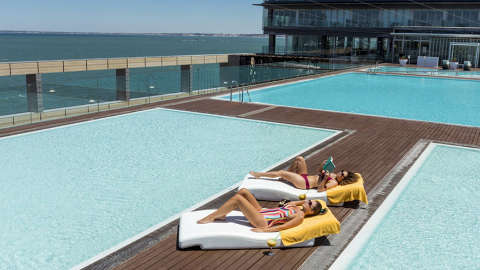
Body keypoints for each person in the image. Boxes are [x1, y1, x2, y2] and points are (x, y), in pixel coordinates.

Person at [197, 188, 324, 232]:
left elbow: (283, 227)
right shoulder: (296, 207)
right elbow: (299, 201)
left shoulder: (300, 216)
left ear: (311, 211)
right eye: (310, 200)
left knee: (238, 199)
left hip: (263, 221)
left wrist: (264, 230)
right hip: (263, 211)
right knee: (243, 192)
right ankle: (222, 214)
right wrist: (306, 201)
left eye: (311, 203)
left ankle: (211, 217)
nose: (308, 201)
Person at [250, 156, 358, 191]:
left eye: (342, 175)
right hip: (306, 177)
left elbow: (320, 189)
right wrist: (323, 165)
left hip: (304, 183)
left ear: (343, 179)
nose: (340, 173)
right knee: (299, 159)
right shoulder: (333, 175)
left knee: (282, 172)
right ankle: (287, 176)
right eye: (342, 171)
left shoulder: (334, 182)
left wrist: (325, 178)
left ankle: (259, 174)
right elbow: (319, 172)